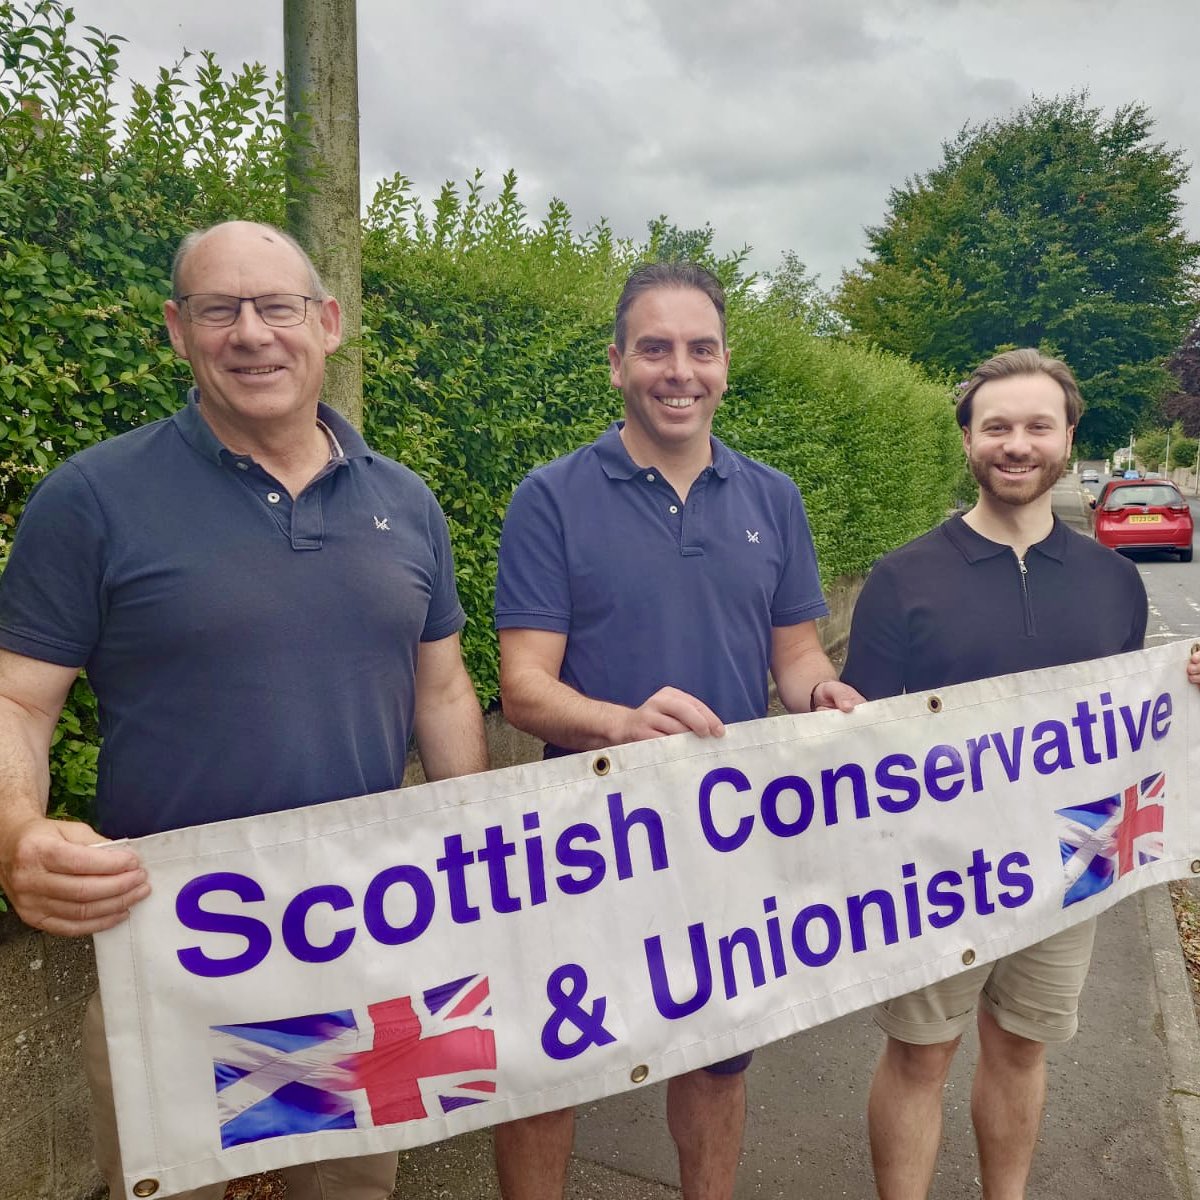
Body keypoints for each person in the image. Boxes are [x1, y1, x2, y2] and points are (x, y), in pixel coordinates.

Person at [0, 220, 488, 1200]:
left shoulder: (408, 501)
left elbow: (441, 688)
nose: (252, 333)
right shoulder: (91, 500)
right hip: (175, 951)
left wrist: (475, 851)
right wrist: (14, 832)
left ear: (331, 323)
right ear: (178, 332)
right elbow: (17, 697)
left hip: (364, 940)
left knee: (346, 1190)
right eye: (220, 309)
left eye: (279, 307)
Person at [492, 261, 861, 1200]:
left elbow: (797, 659)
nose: (678, 370)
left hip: (724, 835)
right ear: (617, 364)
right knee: (550, 1067)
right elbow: (524, 689)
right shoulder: (551, 496)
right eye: (654, 348)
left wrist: (825, 696)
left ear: (726, 364)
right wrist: (622, 721)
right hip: (578, 840)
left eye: (699, 348)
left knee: (716, 1060)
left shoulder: (773, 497)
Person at [840, 348, 1148, 1200]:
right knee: (919, 1053)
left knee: (1020, 1047)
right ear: (969, 441)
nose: (1017, 444)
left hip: (1070, 863)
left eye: (1037, 426)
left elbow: (1129, 723)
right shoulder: (904, 578)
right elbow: (860, 734)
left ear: (1066, 436)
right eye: (997, 426)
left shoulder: (1115, 582)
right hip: (936, 869)